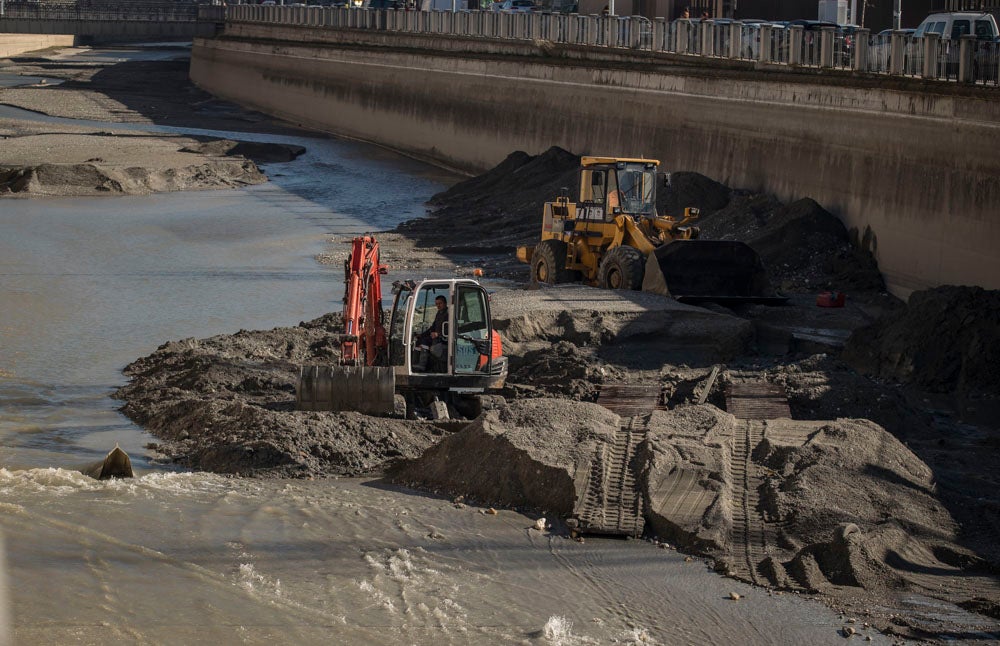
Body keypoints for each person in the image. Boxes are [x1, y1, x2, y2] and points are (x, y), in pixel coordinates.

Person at [415, 296, 448, 371]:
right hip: (436, 336)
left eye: (440, 303)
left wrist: (438, 334)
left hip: (443, 338)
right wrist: (421, 335)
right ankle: (416, 363)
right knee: (419, 340)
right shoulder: (439, 313)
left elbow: (450, 329)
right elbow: (433, 327)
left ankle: (422, 365)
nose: (438, 306)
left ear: (445, 303)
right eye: (437, 304)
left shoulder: (448, 314)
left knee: (425, 341)